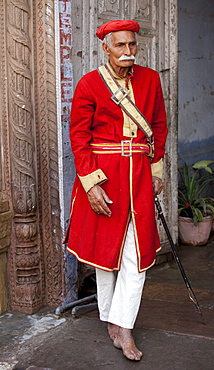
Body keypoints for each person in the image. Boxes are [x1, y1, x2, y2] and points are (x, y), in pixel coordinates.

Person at [66, 19, 168, 361]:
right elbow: (79, 138)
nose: (128, 52)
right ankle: (110, 318)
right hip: (104, 176)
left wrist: (156, 169)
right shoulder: (89, 84)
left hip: (138, 175)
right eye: (120, 45)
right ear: (105, 47)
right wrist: (91, 184)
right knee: (104, 255)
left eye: (132, 45)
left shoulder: (151, 79)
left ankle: (124, 326)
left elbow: (158, 126)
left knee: (135, 257)